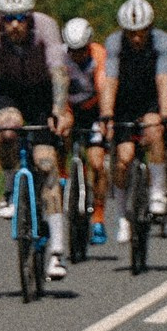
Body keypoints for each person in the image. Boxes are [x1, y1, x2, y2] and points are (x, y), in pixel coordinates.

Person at [0, 0, 73, 278]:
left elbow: (59, 72)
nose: (14, 25)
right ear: (0, 17)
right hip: (11, 91)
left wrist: (58, 111)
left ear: (30, 16)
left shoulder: (46, 27)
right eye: (8, 18)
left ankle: (57, 252)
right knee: (6, 131)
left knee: (46, 164)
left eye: (21, 18)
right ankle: (9, 190)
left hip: (42, 92)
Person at [101, 0, 167, 239]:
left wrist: (165, 115)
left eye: (141, 32)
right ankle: (123, 216)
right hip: (124, 101)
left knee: (154, 129)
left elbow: (163, 79)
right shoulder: (114, 42)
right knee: (123, 160)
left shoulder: (162, 41)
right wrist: (107, 114)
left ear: (150, 28)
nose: (136, 38)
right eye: (130, 33)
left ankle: (157, 192)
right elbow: (110, 81)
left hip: (150, 98)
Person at [64, 15, 109, 245]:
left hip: (93, 110)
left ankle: (98, 217)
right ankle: (63, 176)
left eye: (81, 49)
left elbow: (103, 85)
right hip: (69, 108)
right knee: (61, 133)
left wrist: (105, 118)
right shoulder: (61, 56)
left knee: (97, 163)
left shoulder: (99, 54)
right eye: (73, 50)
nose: (77, 54)